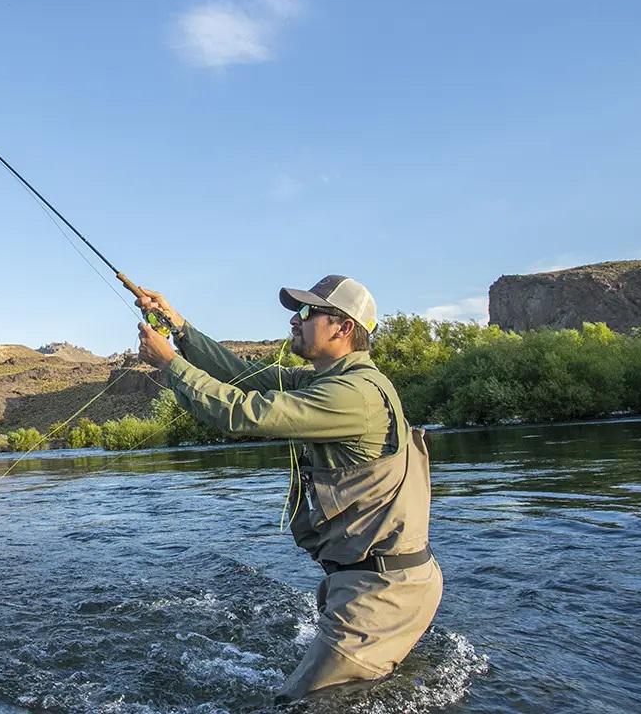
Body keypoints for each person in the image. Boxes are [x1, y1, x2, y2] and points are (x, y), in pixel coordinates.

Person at [134, 275, 441, 701]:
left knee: (296, 705)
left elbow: (245, 413)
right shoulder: (334, 381)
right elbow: (245, 377)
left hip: (380, 594)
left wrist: (171, 364)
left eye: (308, 312)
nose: (295, 320)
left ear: (343, 327)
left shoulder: (353, 395)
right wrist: (179, 327)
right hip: (378, 580)